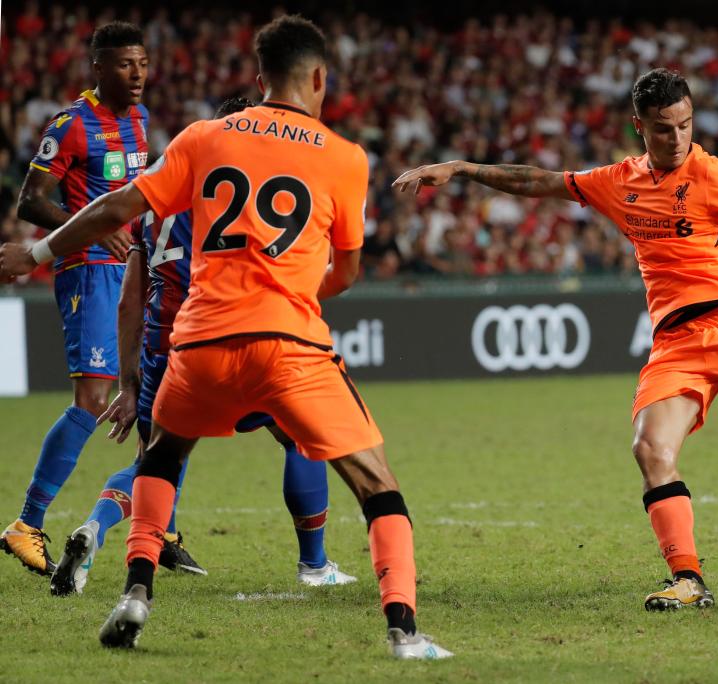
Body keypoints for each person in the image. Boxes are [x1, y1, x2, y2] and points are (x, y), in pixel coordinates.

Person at [0, 15, 451, 660]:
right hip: (289, 346)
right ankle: (404, 632)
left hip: (199, 345)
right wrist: (291, 293)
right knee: (377, 483)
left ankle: (134, 594)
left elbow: (114, 209)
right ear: (320, 76)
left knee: (161, 457)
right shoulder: (347, 157)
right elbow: (346, 273)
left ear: (259, 75)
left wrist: (37, 250)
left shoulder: (204, 137)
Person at [393, 68, 718, 611]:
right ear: (639, 127)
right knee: (650, 449)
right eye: (663, 129)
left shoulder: (715, 175)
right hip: (676, 342)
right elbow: (539, 180)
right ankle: (689, 580)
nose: (677, 139)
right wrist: (460, 169)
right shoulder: (617, 182)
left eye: (685, 125)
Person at [49, 97, 357, 597]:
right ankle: (315, 564)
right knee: (303, 437)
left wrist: (130, 381)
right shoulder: (238, 189)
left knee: (156, 464)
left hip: (159, 347)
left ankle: (93, 529)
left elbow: (131, 298)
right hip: (227, 331)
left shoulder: (158, 190)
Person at [0, 22, 176, 577]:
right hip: (86, 271)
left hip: (130, 272)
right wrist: (95, 230)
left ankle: (160, 523)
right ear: (98, 68)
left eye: (143, 63)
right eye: (126, 64)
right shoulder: (72, 125)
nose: (138, 74)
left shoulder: (140, 120)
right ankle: (27, 523)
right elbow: (31, 202)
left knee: (156, 391)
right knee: (94, 398)